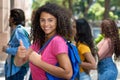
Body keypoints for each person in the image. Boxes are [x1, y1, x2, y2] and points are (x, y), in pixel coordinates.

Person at [14, 3, 73, 80]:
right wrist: (19, 56)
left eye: (50, 20)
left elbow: (68, 73)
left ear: (58, 21)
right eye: (42, 20)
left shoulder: (57, 41)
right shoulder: (39, 41)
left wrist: (39, 63)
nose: (46, 24)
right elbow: (18, 63)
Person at [2, 9, 31, 80]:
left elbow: (26, 50)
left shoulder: (19, 30)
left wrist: (7, 49)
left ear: (12, 19)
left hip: (16, 72)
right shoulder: (18, 30)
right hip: (15, 71)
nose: (8, 19)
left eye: (9, 17)